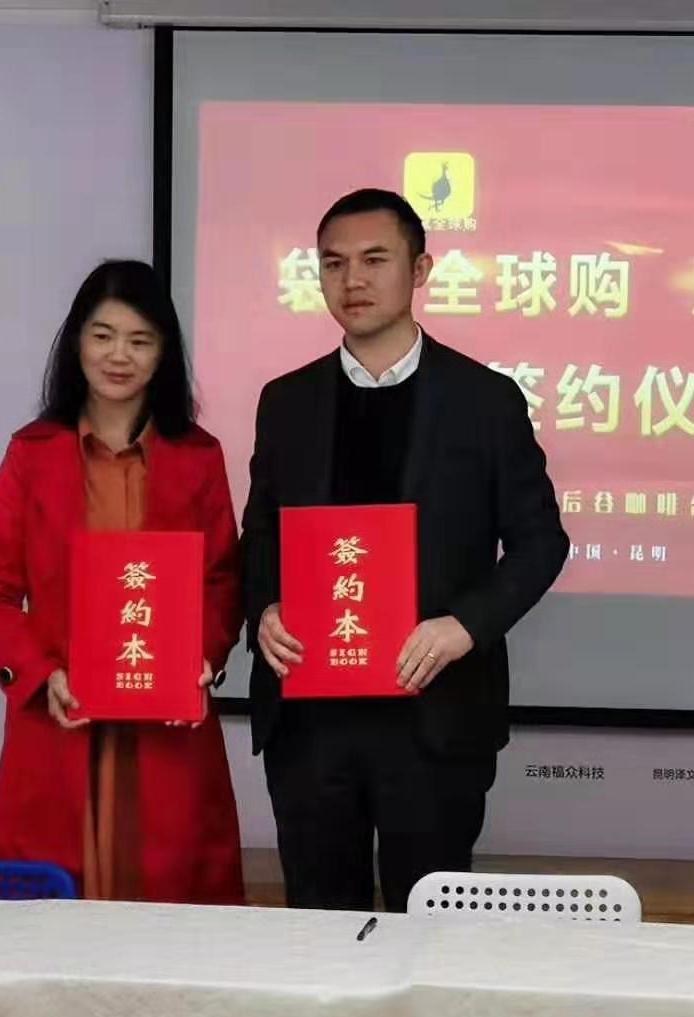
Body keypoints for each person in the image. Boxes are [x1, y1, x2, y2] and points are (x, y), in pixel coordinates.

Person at [241, 190, 569, 912]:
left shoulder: (484, 400)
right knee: (319, 927)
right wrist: (263, 608)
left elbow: (541, 541)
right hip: (311, 719)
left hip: (434, 712)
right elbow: (260, 534)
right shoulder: (286, 401)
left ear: (420, 270)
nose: (352, 280)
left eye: (374, 260)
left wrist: (464, 626)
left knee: (431, 930)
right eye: (333, 263)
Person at [0, 260, 244, 903]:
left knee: (174, 910)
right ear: (76, 342)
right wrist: (39, 675)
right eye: (103, 335)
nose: (119, 355)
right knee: (47, 916)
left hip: (166, 728)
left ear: (164, 354)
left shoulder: (199, 457)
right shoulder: (32, 453)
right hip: (61, 720)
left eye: (140, 340)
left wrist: (202, 654)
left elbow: (222, 579)